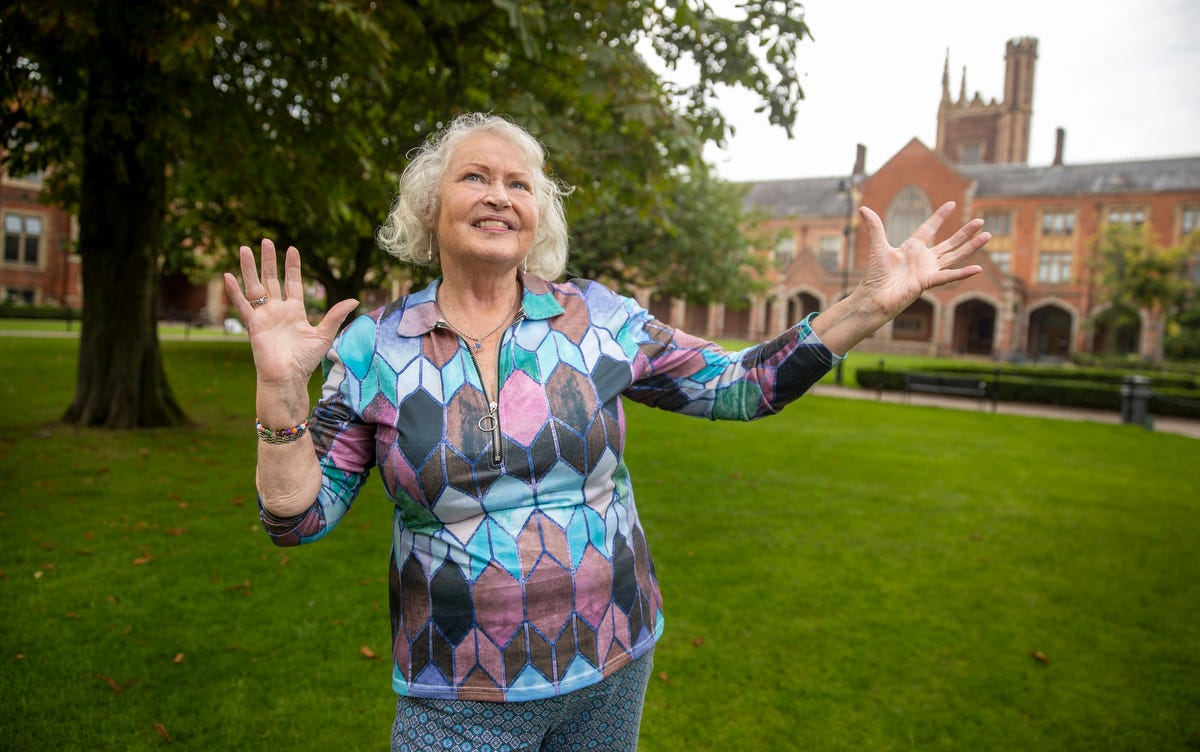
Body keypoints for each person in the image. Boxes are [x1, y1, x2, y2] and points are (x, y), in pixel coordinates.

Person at [223, 112, 990, 750]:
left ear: (537, 218)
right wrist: (280, 390)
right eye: (475, 177)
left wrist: (867, 306)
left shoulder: (600, 321)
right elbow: (297, 517)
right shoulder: (375, 349)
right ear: (429, 209)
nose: (499, 195)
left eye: (518, 183)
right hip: (456, 689)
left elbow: (740, 387)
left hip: (611, 663)